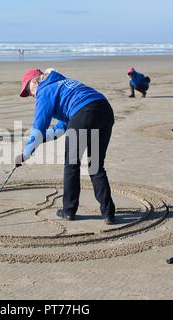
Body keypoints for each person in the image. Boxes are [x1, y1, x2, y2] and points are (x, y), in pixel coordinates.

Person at [15, 68, 117, 225]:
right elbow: (62, 127)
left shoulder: (45, 90)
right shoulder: (63, 84)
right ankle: (108, 213)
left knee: (72, 164)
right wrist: (40, 140)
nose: (32, 96)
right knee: (95, 165)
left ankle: (68, 211)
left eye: (29, 92)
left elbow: (39, 126)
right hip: (104, 110)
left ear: (35, 81)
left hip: (84, 112)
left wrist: (27, 152)